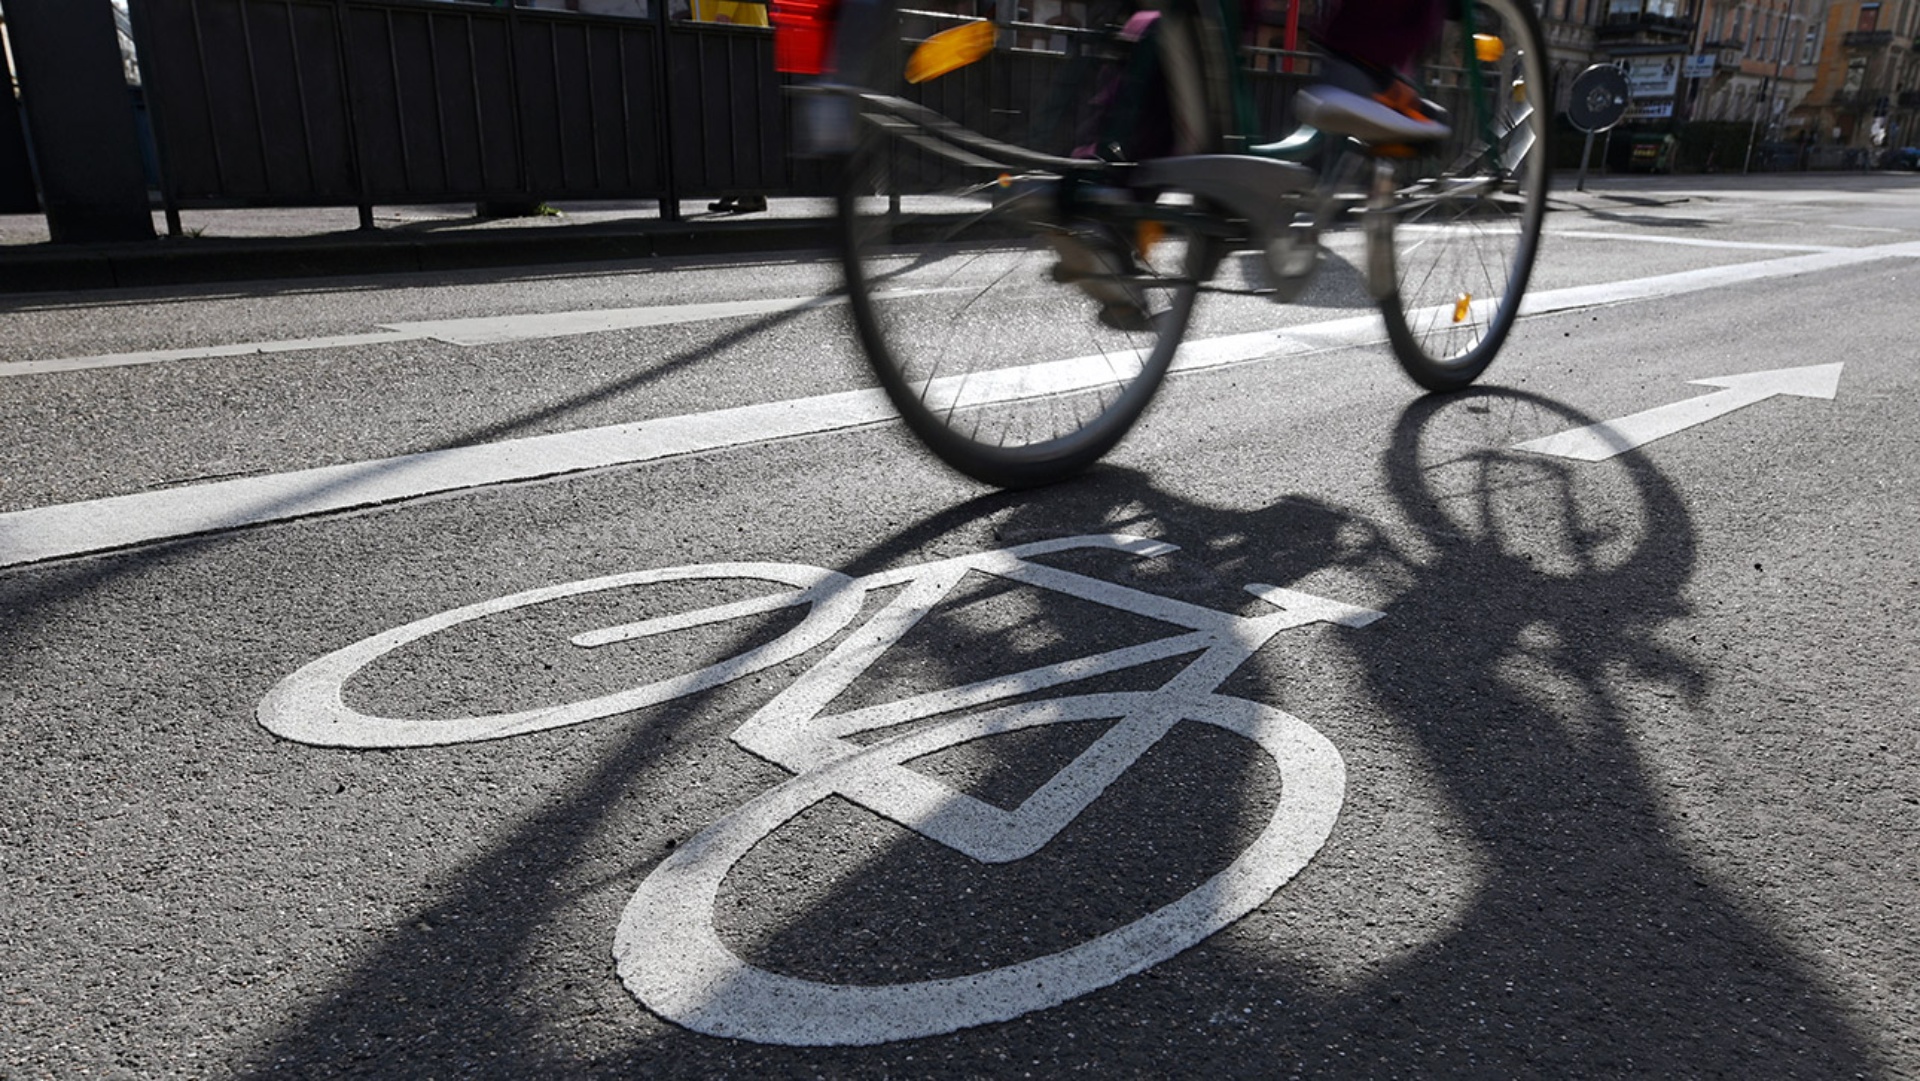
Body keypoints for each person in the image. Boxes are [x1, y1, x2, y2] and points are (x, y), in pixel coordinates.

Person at [1294, 0, 1452, 144]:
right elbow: (1422, 29)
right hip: (1365, 66)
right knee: (1433, 122)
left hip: (1349, 60)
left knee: (1428, 118)